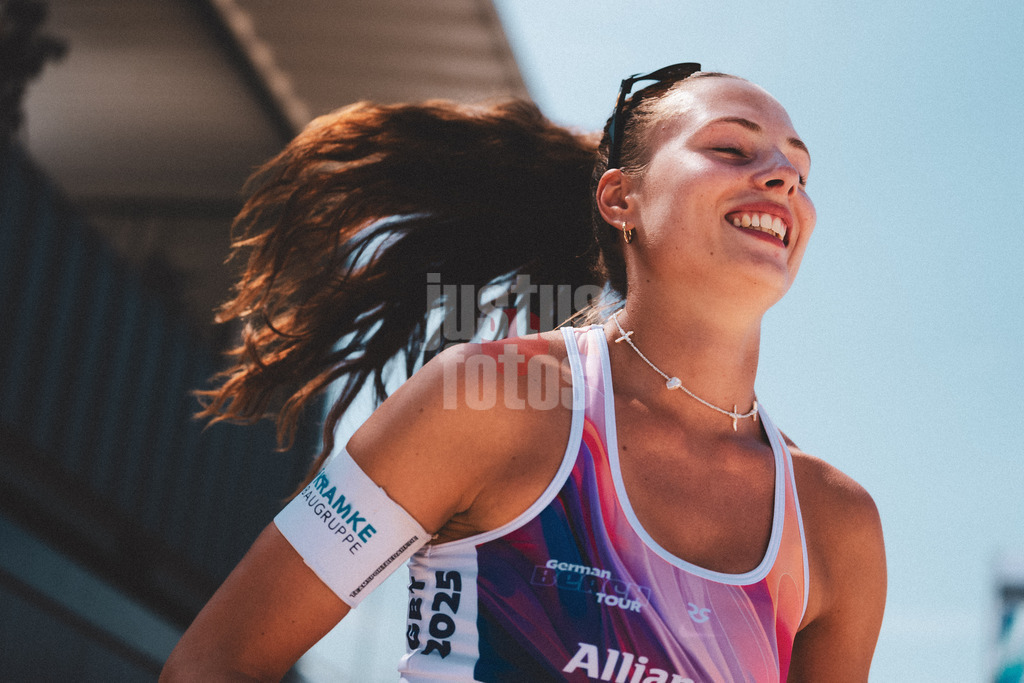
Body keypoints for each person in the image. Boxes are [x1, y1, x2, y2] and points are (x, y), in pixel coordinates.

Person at [161, 63, 886, 682]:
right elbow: (214, 664)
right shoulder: (485, 400)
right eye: (730, 147)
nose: (782, 178)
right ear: (621, 199)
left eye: (799, 170)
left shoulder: (834, 523)